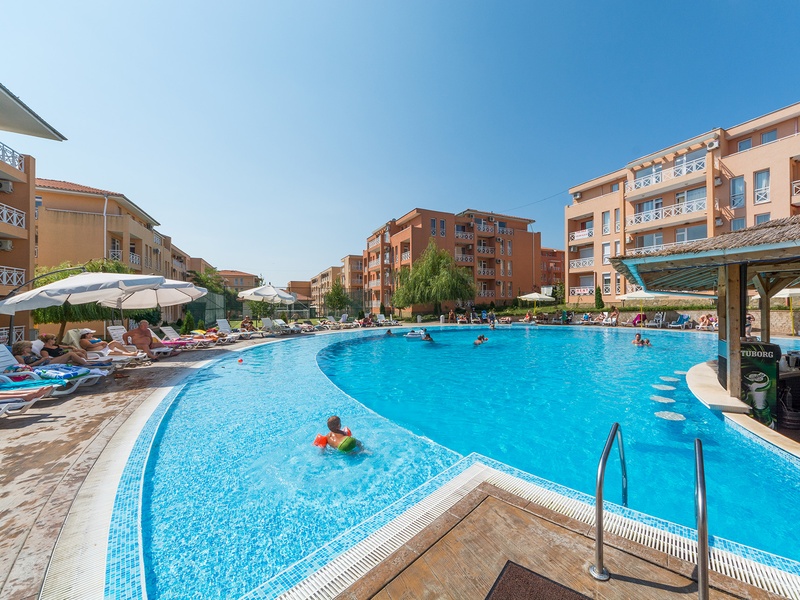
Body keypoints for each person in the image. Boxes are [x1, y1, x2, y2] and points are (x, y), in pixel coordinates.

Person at [13, 340, 89, 366]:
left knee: (74, 361)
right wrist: (41, 360)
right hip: (44, 365)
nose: (31, 348)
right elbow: (26, 367)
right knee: (70, 354)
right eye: (29, 347)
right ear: (23, 348)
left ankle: (86, 364)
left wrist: (45, 359)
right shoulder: (18, 357)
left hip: (47, 361)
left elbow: (41, 359)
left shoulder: (31, 353)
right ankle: (87, 364)